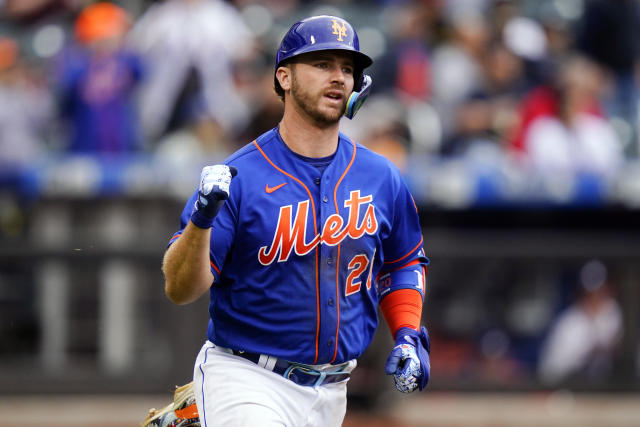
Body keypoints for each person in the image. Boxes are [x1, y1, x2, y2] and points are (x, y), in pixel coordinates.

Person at [161, 15, 431, 427]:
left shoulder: (381, 176)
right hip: (247, 378)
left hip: (332, 391)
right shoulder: (241, 176)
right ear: (284, 77)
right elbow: (181, 290)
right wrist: (201, 220)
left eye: (347, 68)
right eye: (322, 64)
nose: (338, 77)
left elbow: (403, 263)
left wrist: (408, 335)